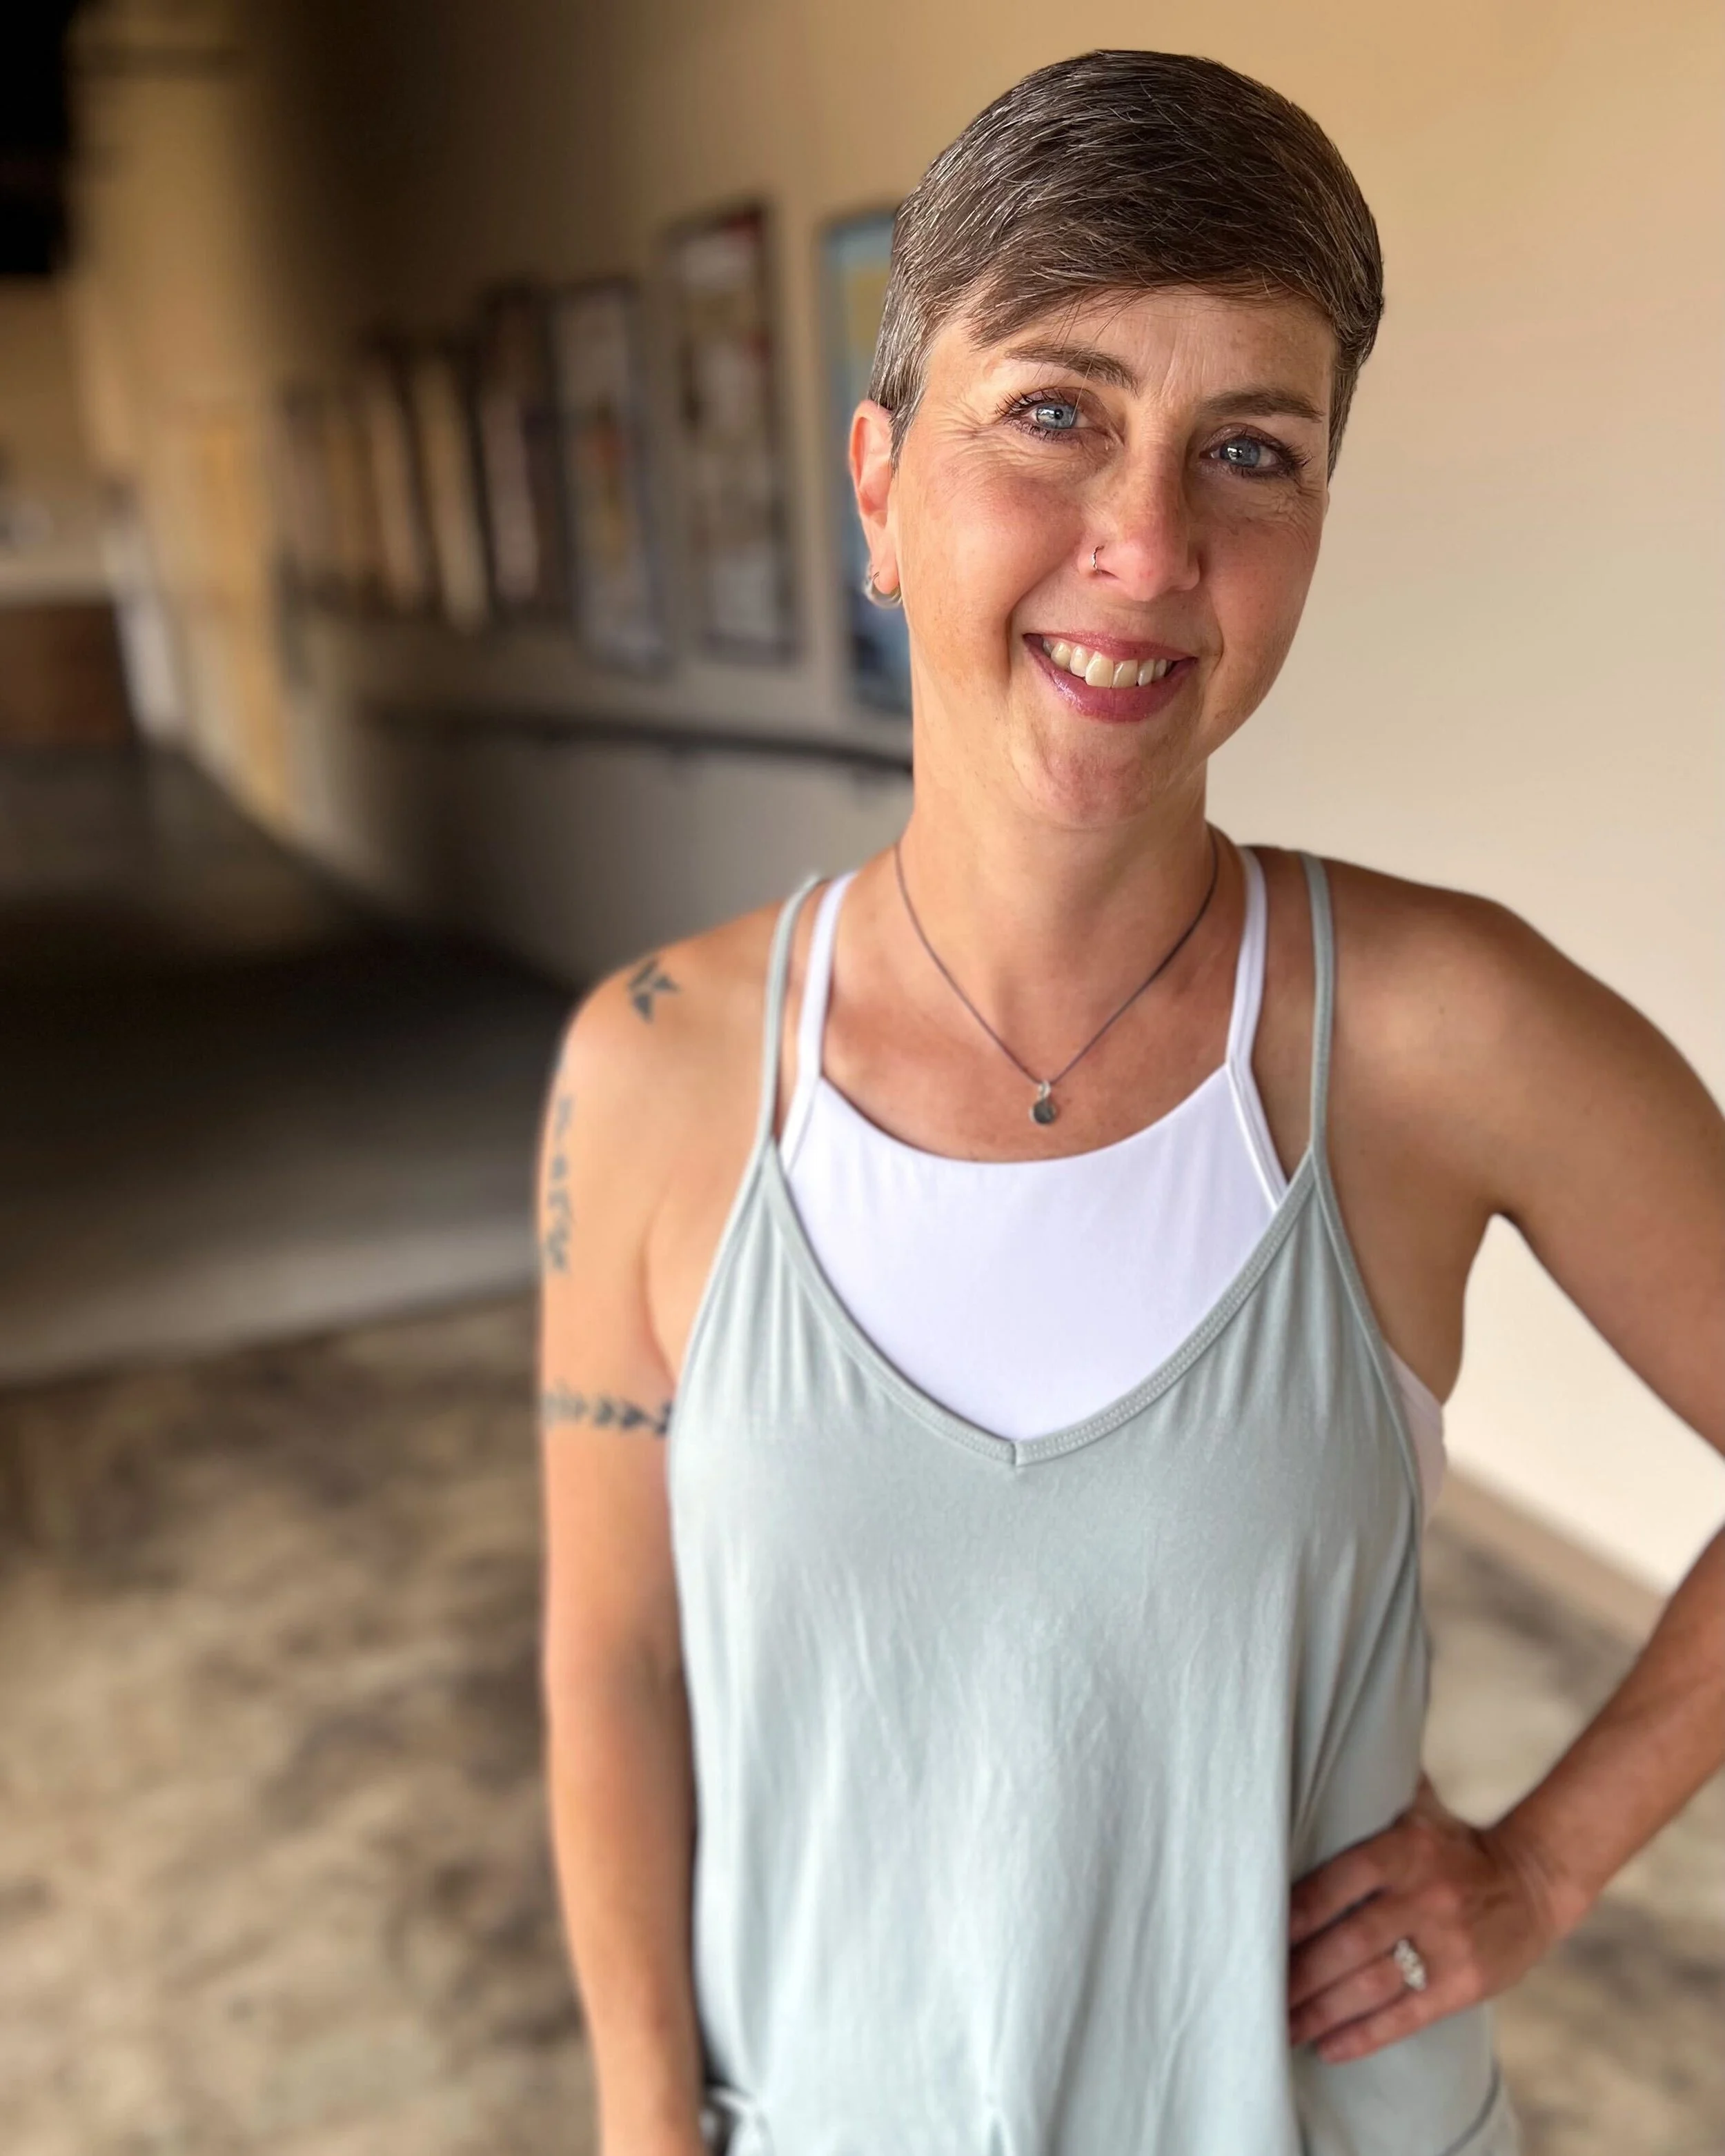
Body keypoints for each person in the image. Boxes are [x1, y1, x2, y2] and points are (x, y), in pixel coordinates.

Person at [533, 48, 1725, 2156]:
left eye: (1246, 448)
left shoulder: (1435, 1033)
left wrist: (1540, 1863)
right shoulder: (653, 1063)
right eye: (1056, 414)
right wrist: (642, 2121)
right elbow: (617, 1655)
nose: (1148, 541)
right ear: (877, 488)